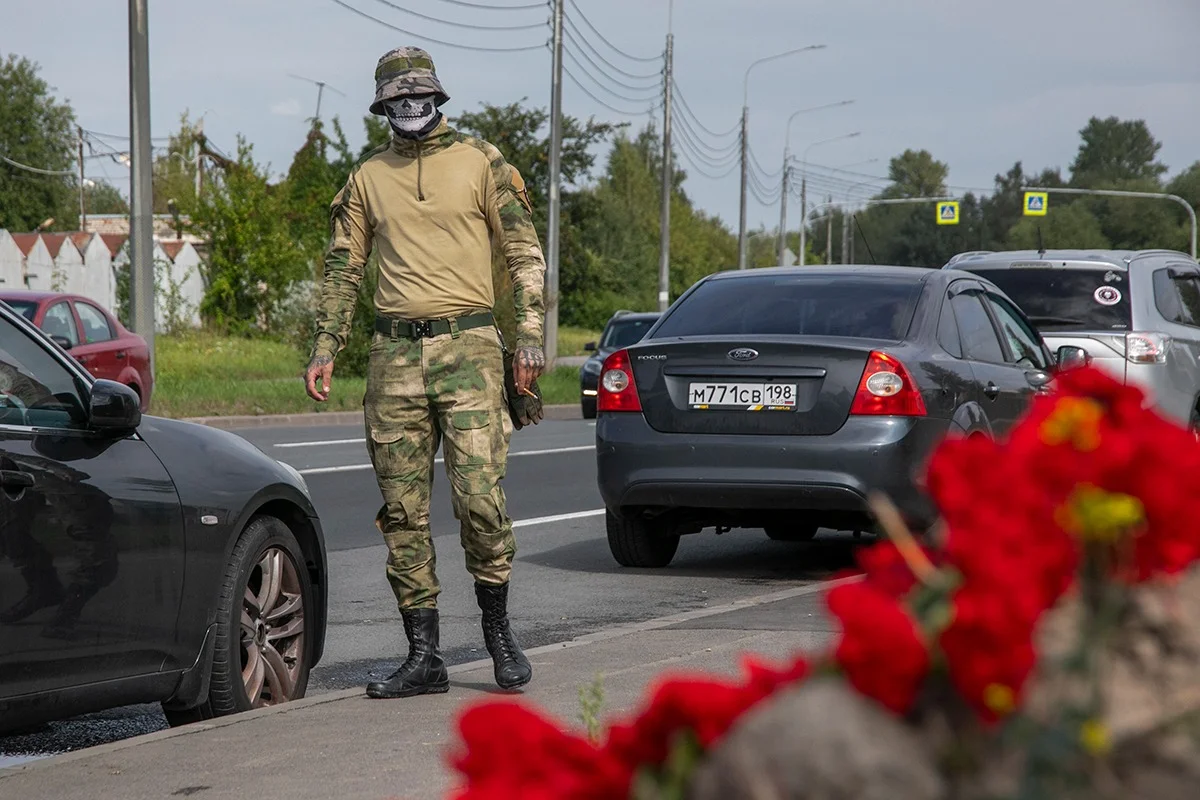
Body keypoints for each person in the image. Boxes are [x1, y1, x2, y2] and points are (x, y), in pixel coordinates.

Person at [305, 47, 546, 699]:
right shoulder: (366, 179)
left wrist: (527, 337)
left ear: (438, 99)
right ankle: (424, 656)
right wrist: (326, 344)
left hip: (468, 346)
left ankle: (498, 634)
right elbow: (342, 268)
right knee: (403, 512)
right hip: (392, 359)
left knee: (480, 501)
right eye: (398, 99)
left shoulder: (481, 161)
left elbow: (524, 251)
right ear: (383, 106)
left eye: (421, 97)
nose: (411, 109)